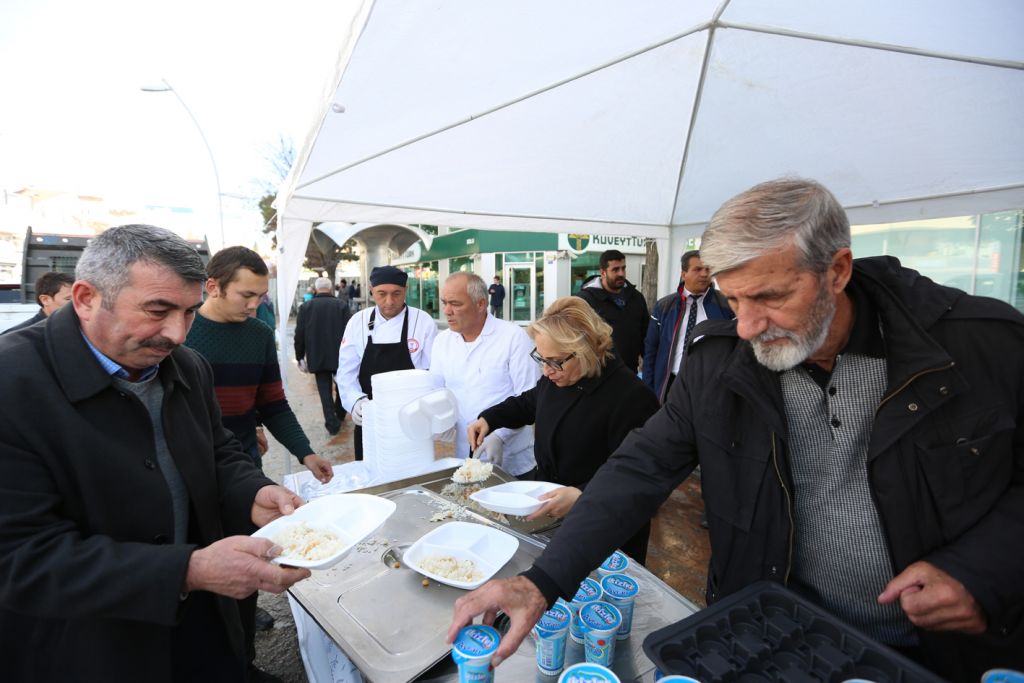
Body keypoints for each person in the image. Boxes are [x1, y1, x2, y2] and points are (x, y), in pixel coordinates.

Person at [448, 178, 1024, 681]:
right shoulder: (721, 362)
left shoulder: (982, 346)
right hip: (766, 633)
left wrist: (981, 570)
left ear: (837, 271)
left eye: (770, 297)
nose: (747, 326)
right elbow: (640, 467)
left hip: (933, 656)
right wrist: (542, 581)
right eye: (732, 300)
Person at [0, 224, 310, 682]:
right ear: (85, 298)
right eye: (157, 310)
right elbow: (19, 557)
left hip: (200, 632)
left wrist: (251, 492)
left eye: (189, 312)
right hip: (89, 650)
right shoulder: (12, 382)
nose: (177, 334)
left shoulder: (186, 365)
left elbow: (218, 449)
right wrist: (186, 571)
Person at [467, 296, 659, 561]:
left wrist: (582, 494)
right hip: (552, 510)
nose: (546, 371)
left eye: (555, 361)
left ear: (585, 350)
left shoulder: (632, 397)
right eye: (541, 359)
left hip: (605, 525)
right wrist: (489, 419)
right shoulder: (557, 376)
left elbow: (636, 474)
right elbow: (528, 403)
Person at [185, 246, 333, 483]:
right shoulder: (179, 333)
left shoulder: (260, 335)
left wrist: (306, 453)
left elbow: (272, 404)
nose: (254, 305)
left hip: (245, 462)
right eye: (246, 295)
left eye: (261, 296)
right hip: (191, 467)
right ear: (212, 287)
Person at [429, 272, 538, 475]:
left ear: (480, 304)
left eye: (455, 304)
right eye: (444, 303)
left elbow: (529, 397)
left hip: (512, 460)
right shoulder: (442, 341)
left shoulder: (513, 338)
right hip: (464, 458)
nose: (447, 311)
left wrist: (499, 435)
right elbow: (436, 392)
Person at [336, 265, 437, 460]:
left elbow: (433, 373)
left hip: (412, 418)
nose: (389, 301)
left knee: (414, 469)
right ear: (371, 290)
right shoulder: (358, 321)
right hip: (371, 417)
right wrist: (355, 401)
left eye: (396, 294)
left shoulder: (423, 321)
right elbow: (346, 371)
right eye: (382, 294)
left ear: (405, 290)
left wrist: (430, 410)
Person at [643, 250, 734, 403]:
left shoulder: (727, 305)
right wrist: (649, 389)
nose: (704, 274)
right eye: (697, 269)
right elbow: (651, 350)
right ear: (683, 274)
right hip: (671, 383)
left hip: (711, 386)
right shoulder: (664, 306)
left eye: (707, 269)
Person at [576, 249, 649, 373]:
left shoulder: (636, 297)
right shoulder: (585, 300)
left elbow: (645, 334)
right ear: (603, 272)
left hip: (629, 371)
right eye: (615, 269)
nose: (621, 273)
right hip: (598, 373)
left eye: (623, 268)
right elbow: (578, 339)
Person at [296, 277, 351, 436]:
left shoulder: (306, 307)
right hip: (340, 354)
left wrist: (300, 356)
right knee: (342, 385)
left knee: (324, 390)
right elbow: (350, 331)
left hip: (317, 353)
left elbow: (299, 334)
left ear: (315, 289)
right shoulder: (341, 305)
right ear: (331, 288)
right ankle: (340, 413)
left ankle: (331, 423)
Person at [2, 270, 74, 334]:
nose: (76, 303)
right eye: (68, 299)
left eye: (78, 298)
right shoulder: (19, 336)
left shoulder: (76, 327)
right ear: (45, 300)